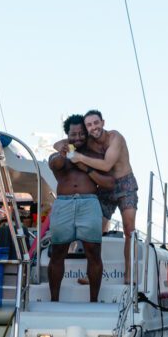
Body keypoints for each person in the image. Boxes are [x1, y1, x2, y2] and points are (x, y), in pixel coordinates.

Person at [48, 114, 115, 302]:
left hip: (89, 203)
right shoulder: (58, 154)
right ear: (67, 135)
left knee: (93, 252)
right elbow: (55, 164)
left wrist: (85, 167)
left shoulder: (95, 156)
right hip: (64, 203)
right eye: (73, 134)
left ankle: (93, 300)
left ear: (87, 134)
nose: (77, 138)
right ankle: (54, 300)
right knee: (58, 252)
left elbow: (110, 183)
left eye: (81, 134)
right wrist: (62, 154)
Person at [69, 110, 138, 285]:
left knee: (130, 230)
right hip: (106, 186)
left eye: (96, 123)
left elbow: (107, 165)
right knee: (94, 230)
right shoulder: (89, 142)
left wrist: (80, 158)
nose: (94, 127)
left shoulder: (115, 138)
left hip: (125, 183)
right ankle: (90, 273)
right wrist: (66, 149)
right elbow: (62, 143)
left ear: (103, 122)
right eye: (89, 125)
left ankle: (129, 275)